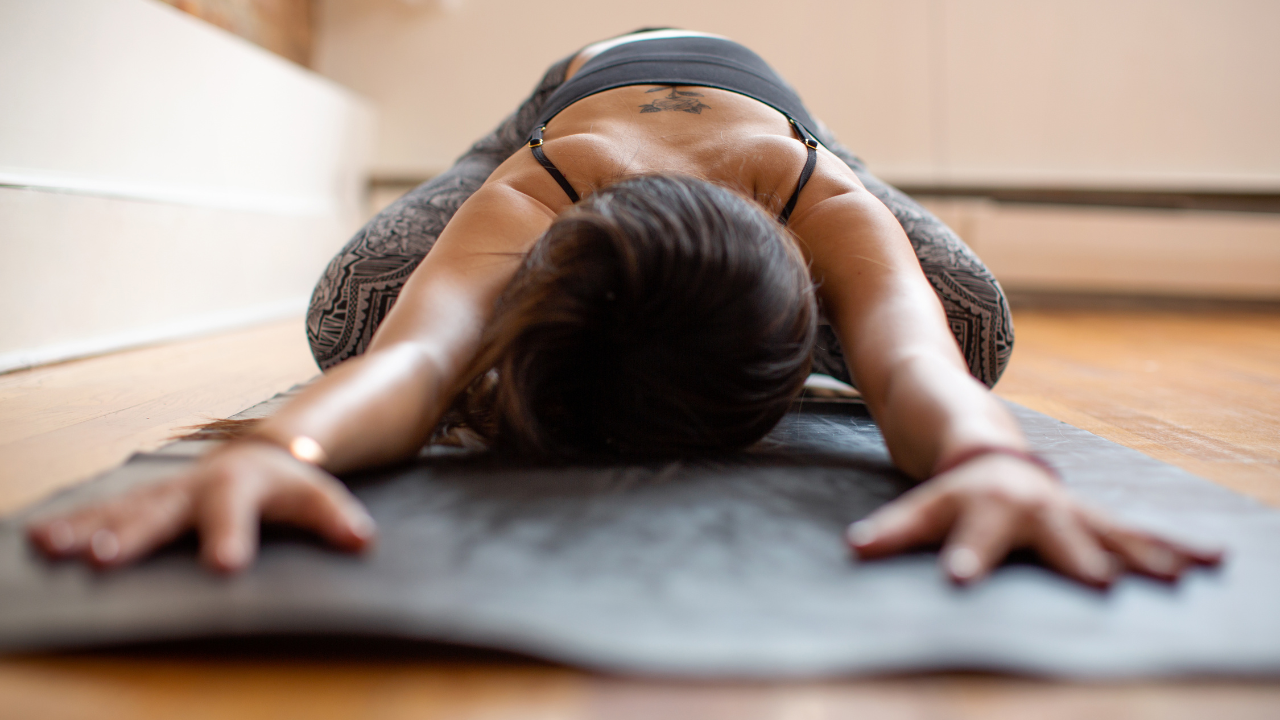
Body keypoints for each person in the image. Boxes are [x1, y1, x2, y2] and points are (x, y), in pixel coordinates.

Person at [28, 29, 1219, 586]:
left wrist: (989, 461)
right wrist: (278, 450)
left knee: (964, 330)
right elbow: (415, 355)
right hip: (564, 99)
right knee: (357, 317)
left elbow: (917, 367)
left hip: (764, 117)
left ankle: (802, 312)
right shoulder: (550, 175)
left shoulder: (810, 190)